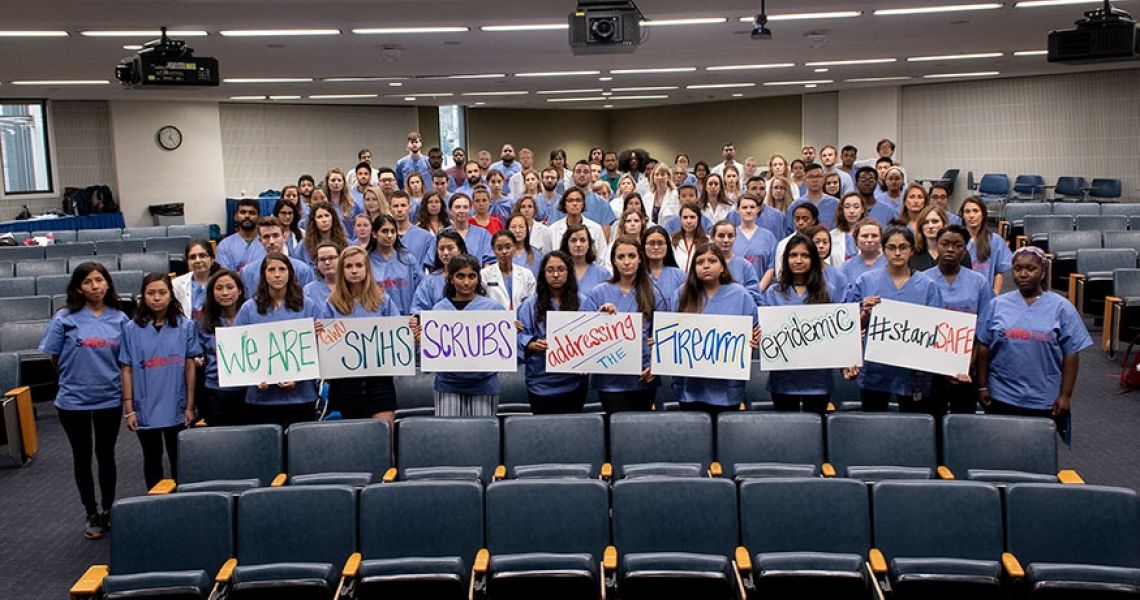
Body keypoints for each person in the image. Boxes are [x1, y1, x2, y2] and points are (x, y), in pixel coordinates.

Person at [39, 263, 128, 539]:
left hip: (109, 397)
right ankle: (91, 512)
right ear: (79, 287)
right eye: (88, 282)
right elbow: (54, 358)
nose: (95, 287)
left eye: (100, 280)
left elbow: (125, 361)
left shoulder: (120, 318)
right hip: (73, 400)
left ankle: (109, 509)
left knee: (106, 455)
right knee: (82, 457)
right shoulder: (64, 318)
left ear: (107, 284)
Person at [975, 246, 1092, 439]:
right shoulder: (997, 305)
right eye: (1018, 268)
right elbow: (984, 345)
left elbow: (1071, 353)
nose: (1023, 274)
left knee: (1036, 451)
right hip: (1002, 393)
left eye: (1030, 269)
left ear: (1043, 272)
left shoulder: (1061, 307)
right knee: (1000, 449)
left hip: (1043, 397)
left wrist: (1066, 395)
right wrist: (982, 386)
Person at [846, 225, 945, 412]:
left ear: (912, 250)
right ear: (883, 250)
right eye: (891, 247)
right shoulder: (867, 281)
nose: (898, 253)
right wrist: (865, 313)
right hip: (876, 368)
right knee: (874, 426)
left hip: (913, 371)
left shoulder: (928, 286)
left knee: (913, 428)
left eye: (903, 247)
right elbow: (851, 329)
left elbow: (937, 332)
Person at [119, 273, 201, 490]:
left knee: (179, 459)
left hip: (177, 403)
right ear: (143, 297)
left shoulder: (185, 326)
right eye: (151, 293)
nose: (157, 298)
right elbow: (126, 368)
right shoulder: (130, 329)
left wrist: (190, 405)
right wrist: (129, 409)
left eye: (162, 293)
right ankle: (156, 506)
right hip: (145, 404)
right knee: (152, 458)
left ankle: (183, 502)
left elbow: (190, 366)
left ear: (171, 296)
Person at [320, 246, 408, 426]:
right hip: (346, 384)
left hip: (379, 382)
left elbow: (398, 337)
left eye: (359, 265)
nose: (354, 270)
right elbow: (326, 344)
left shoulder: (383, 300)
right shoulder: (331, 304)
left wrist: (410, 333)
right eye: (349, 266)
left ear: (367, 268)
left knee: (384, 437)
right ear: (341, 270)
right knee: (355, 441)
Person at [670, 243, 760, 414]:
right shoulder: (682, 295)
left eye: (712, 260)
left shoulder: (741, 295)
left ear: (722, 267)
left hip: (726, 386)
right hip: (690, 386)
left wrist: (755, 338)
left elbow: (755, 330)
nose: (705, 265)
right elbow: (671, 332)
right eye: (700, 262)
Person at [234, 252, 321, 427]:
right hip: (261, 399)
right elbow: (237, 350)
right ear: (263, 274)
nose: (277, 274)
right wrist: (253, 376)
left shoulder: (308, 305)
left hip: (301, 396)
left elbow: (318, 349)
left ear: (290, 272)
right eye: (271, 270)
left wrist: (299, 377)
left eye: (282, 269)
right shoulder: (248, 309)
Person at [582, 238, 667, 412]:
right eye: (621, 257)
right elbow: (584, 336)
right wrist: (599, 318)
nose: (626, 262)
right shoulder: (598, 293)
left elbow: (663, 338)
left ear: (640, 259)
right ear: (613, 260)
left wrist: (655, 366)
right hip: (609, 380)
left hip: (643, 378)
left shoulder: (653, 293)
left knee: (639, 431)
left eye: (631, 256)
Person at [762, 234, 843, 414]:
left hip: (818, 378)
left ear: (813, 259)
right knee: (788, 430)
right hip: (783, 378)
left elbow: (839, 333)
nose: (798, 260)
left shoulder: (829, 291)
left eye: (805, 256)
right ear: (785, 259)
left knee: (817, 432)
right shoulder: (773, 292)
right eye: (793, 255)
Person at [924, 224, 994, 415]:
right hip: (930, 369)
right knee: (930, 422)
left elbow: (983, 332)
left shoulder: (979, 283)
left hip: (966, 368)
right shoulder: (922, 280)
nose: (950, 249)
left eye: (957, 245)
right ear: (936, 245)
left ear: (965, 250)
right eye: (945, 244)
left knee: (962, 424)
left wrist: (965, 366)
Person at [431, 254, 506, 416]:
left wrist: (509, 333)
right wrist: (421, 340)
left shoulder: (494, 310)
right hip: (448, 384)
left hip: (484, 384)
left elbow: (504, 352)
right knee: (449, 434)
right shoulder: (438, 310)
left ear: (478, 279)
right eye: (460, 276)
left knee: (483, 435)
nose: (466, 282)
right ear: (450, 279)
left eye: (472, 276)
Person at [517, 251, 590, 413]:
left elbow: (592, 337)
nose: (556, 274)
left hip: (574, 382)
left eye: (561, 269)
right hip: (540, 383)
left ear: (568, 272)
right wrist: (531, 344)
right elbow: (518, 336)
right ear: (543, 274)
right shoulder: (529, 305)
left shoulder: (583, 302)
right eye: (550, 270)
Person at [196, 269, 247, 427]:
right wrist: (198, 360)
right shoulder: (202, 323)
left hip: (248, 391)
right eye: (219, 289)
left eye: (230, 287)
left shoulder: (252, 316)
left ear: (239, 290)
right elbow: (197, 353)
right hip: (216, 392)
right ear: (212, 293)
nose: (225, 293)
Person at [241, 216, 315, 295]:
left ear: (284, 237)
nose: (271, 241)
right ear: (260, 240)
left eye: (275, 236)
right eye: (266, 237)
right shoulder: (248, 272)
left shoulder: (302, 270)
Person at [367, 214, 422, 316]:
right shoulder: (366, 261)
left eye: (393, 231)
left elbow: (421, 289)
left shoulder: (408, 259)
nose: (389, 235)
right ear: (374, 234)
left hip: (407, 319)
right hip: (377, 319)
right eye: (384, 231)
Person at [960, 196, 1012, 295]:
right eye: (967, 212)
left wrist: (995, 294)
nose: (971, 215)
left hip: (985, 293)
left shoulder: (994, 240)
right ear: (962, 215)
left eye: (975, 211)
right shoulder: (957, 239)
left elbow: (999, 272)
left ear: (983, 214)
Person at [547, 188, 609, 267]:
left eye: (578, 200)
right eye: (570, 200)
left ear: (583, 204)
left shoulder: (596, 228)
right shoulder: (553, 230)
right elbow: (548, 258)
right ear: (564, 204)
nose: (574, 203)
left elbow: (602, 258)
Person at [412, 231, 467, 316]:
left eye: (450, 248)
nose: (445, 253)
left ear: (460, 249)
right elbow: (418, 311)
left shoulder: (472, 277)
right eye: (441, 249)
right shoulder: (429, 282)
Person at [712, 220, 763, 304]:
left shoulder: (745, 266)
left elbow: (754, 297)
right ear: (713, 238)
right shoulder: (705, 264)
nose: (726, 240)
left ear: (735, 238)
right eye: (721, 236)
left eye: (730, 236)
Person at [482, 231, 536, 310]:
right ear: (493, 250)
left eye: (508, 247)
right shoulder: (484, 274)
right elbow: (482, 304)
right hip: (493, 320)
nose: (504, 251)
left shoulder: (527, 274)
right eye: (499, 248)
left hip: (521, 320)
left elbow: (531, 304)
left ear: (514, 247)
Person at [734, 195, 778, 290]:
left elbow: (771, 267)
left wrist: (758, 289)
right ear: (737, 210)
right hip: (736, 291)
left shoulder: (768, 236)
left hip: (763, 291)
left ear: (758, 209)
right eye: (744, 207)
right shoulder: (731, 236)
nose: (748, 210)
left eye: (752, 207)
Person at [444, 193, 494, 265]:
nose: (462, 211)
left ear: (470, 209)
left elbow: (488, 262)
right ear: (450, 210)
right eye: (457, 207)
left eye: (465, 207)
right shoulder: (443, 234)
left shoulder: (483, 234)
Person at [173, 239, 217, 319]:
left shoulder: (221, 281)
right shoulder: (176, 284)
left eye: (202, 256)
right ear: (187, 262)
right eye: (192, 257)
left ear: (212, 259)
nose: (198, 260)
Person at [389, 191, 434, 270]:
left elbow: (432, 268)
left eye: (403, 205)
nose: (399, 209)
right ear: (390, 209)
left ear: (410, 208)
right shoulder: (385, 236)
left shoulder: (425, 237)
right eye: (395, 206)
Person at [296, 201, 348, 267]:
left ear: (333, 218)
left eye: (327, 215)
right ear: (314, 221)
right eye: (319, 217)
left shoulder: (345, 243)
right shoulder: (303, 246)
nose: (324, 220)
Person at [216, 199, 263, 271]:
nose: (247, 216)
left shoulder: (267, 243)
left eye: (252, 213)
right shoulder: (224, 245)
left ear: (259, 218)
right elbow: (223, 276)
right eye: (243, 212)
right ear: (235, 217)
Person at [561, 223, 611, 291]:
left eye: (582, 240)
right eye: (573, 240)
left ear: (589, 244)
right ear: (566, 244)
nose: (578, 244)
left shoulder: (602, 274)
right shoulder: (558, 272)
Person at [643, 225, 687, 301]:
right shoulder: (636, 275)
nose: (656, 247)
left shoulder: (679, 275)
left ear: (667, 246)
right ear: (644, 246)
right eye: (651, 243)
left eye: (660, 243)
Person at [839, 218, 886, 286]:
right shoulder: (847, 267)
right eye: (865, 236)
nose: (869, 240)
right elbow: (842, 293)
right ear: (856, 239)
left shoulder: (889, 263)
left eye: (874, 236)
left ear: (881, 239)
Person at [671, 203, 709, 273]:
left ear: (699, 219)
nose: (688, 221)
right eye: (685, 217)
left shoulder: (708, 241)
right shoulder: (671, 240)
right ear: (680, 220)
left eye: (692, 217)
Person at [303, 241, 341, 306]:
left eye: (331, 258)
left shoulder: (351, 286)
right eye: (322, 259)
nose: (327, 262)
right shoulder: (308, 291)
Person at [832, 193, 865, 263]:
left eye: (856, 207)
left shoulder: (871, 234)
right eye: (847, 207)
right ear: (842, 210)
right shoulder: (832, 235)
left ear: (862, 209)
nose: (851, 211)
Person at [507, 213, 542, 278]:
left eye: (521, 227)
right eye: (513, 227)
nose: (517, 230)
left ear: (527, 229)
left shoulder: (537, 254)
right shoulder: (503, 254)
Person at [325, 168, 359, 235]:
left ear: (343, 183)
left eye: (339, 180)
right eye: (333, 180)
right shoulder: (324, 204)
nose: (336, 183)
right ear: (327, 182)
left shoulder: (352, 204)